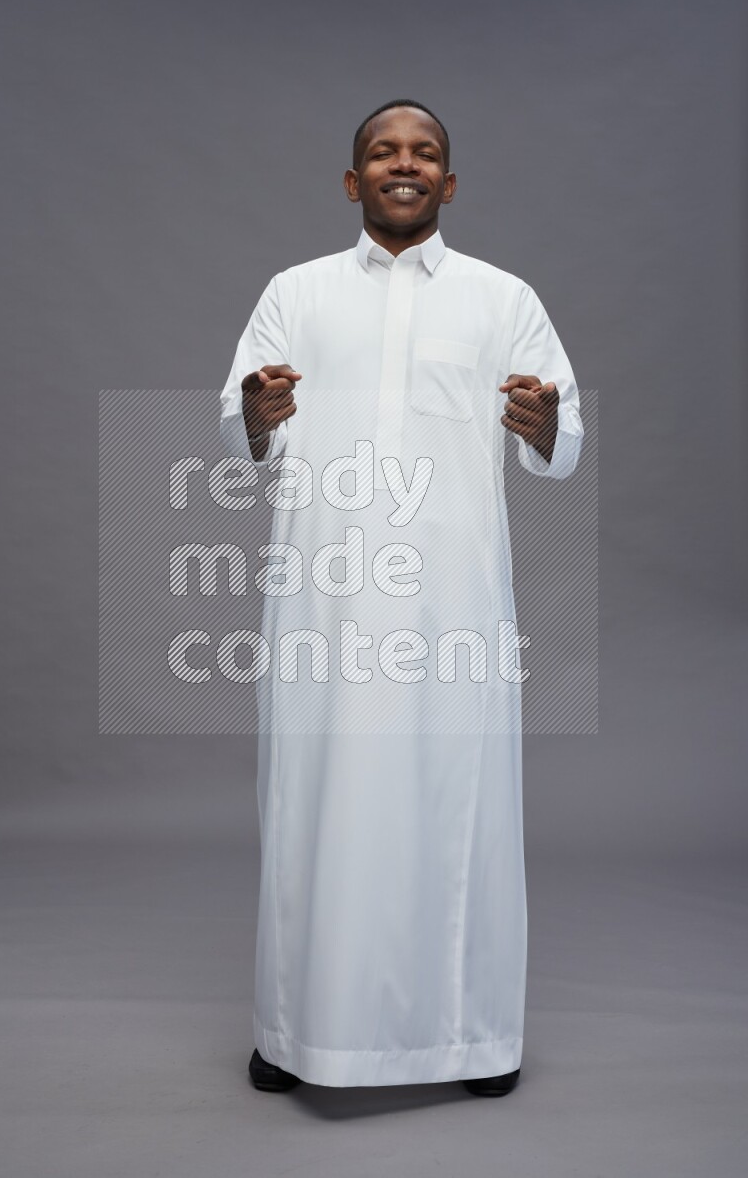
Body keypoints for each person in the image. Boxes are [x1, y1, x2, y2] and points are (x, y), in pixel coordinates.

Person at [219, 99, 584, 1096]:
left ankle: (470, 1037)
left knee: (451, 810)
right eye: (382, 152)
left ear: (449, 184)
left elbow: (562, 436)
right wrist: (254, 413)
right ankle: (293, 1029)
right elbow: (240, 417)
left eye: (423, 152)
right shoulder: (294, 292)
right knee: (310, 808)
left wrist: (541, 420)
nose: (402, 163)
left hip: (448, 610)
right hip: (323, 604)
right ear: (352, 182)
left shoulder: (500, 298)